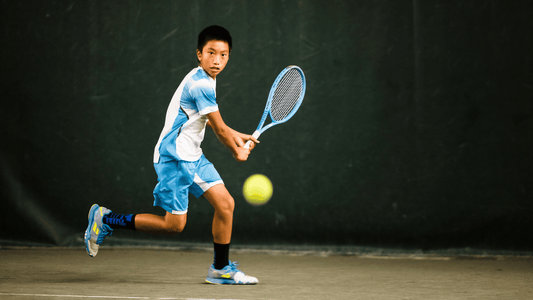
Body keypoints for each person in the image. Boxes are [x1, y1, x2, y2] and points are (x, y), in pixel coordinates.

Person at [84, 25, 260, 285]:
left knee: (226, 205)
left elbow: (211, 122)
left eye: (223, 55)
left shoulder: (208, 79)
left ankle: (220, 269)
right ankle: (106, 219)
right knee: (174, 225)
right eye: (211, 53)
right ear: (199, 54)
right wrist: (237, 151)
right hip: (174, 158)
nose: (217, 60)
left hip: (193, 156)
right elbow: (220, 129)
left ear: (228, 57)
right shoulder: (200, 84)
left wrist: (238, 136)